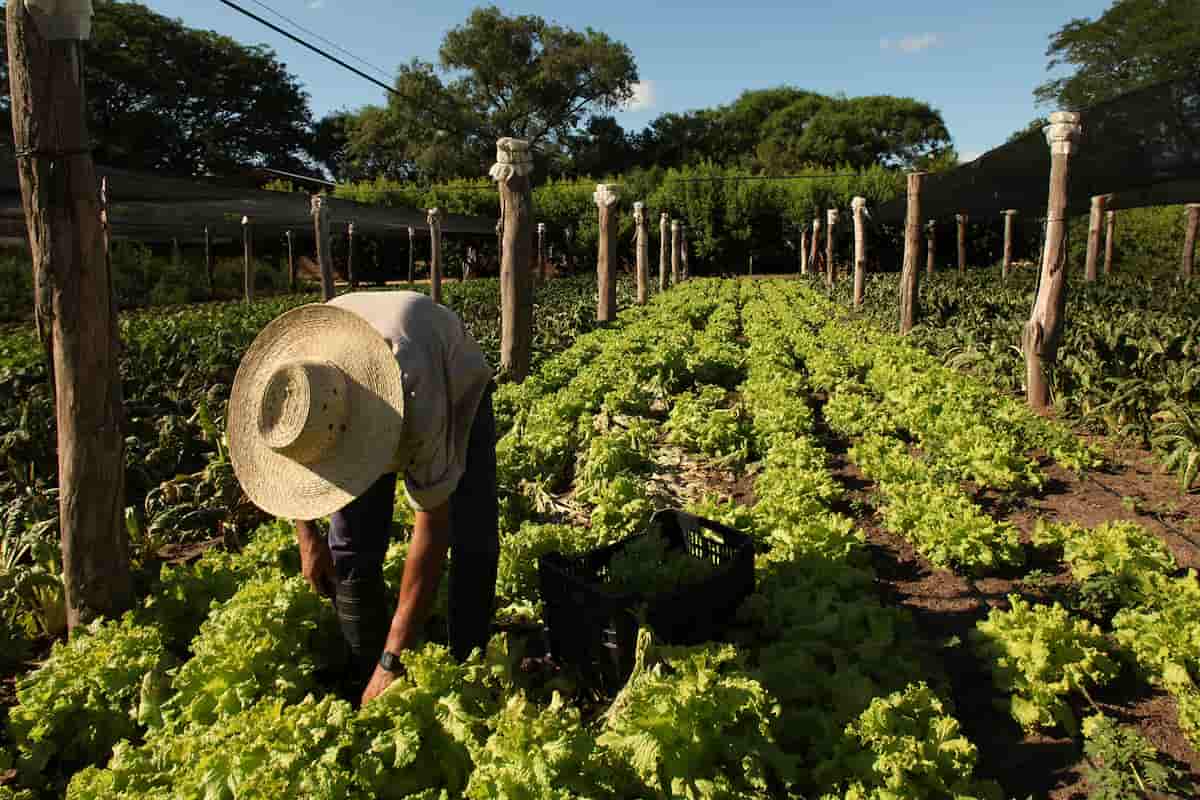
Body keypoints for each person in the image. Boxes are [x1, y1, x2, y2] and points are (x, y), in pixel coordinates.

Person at [228, 291, 498, 706]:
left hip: (448, 374)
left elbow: (433, 524)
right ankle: (363, 668)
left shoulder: (419, 388)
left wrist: (394, 659)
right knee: (350, 546)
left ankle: (466, 661)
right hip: (349, 384)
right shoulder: (294, 381)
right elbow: (296, 461)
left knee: (471, 531)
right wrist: (308, 538)